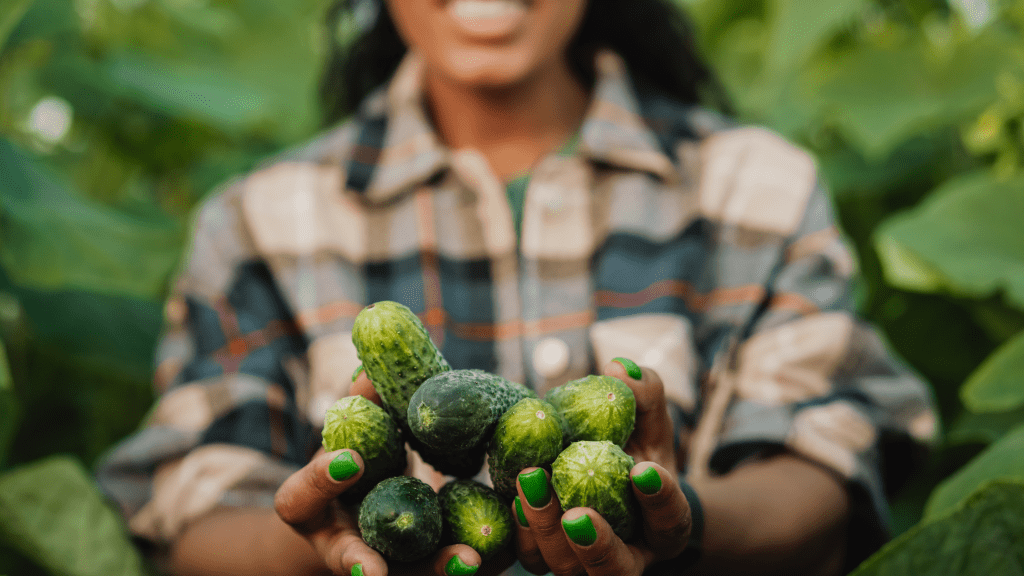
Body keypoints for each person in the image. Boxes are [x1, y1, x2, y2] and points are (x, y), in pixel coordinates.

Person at [96, 0, 938, 575]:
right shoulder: (256, 222)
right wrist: (335, 543)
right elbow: (194, 517)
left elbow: (826, 474)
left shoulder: (756, 188)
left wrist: (684, 527)